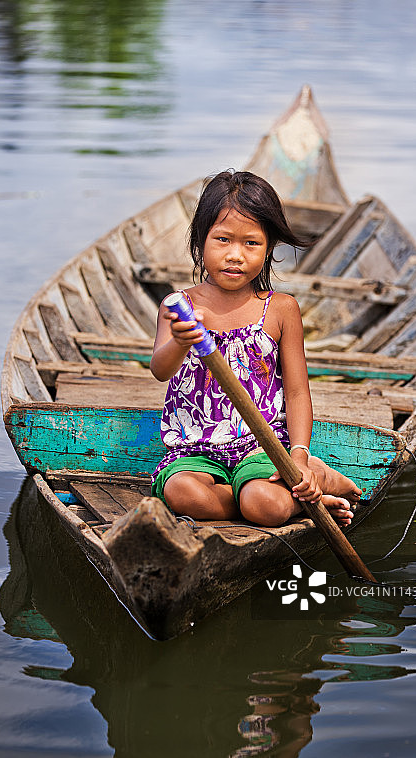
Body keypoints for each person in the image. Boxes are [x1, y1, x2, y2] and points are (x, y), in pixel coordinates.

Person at [150, 170, 361, 528]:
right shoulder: (180, 306)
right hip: (194, 449)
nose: (235, 255)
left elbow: (296, 392)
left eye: (251, 243)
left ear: (268, 249)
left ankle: (314, 478)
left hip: (262, 446)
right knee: (183, 495)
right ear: (200, 241)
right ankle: (299, 498)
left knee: (265, 505)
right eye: (223, 240)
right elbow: (160, 369)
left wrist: (299, 457)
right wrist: (181, 341)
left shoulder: (280, 309)